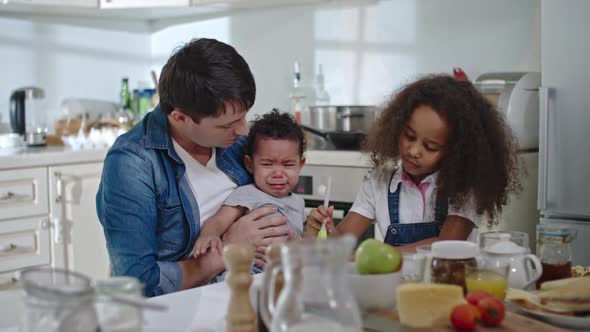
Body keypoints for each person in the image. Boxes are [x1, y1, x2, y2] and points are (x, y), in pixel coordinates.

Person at [96, 38, 294, 297]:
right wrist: (226, 251)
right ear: (180, 118)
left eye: (245, 116)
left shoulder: (237, 144)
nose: (244, 130)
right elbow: (137, 285)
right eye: (226, 125)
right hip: (178, 313)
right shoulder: (132, 163)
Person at [305, 74, 521, 252]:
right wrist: (326, 232)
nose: (414, 151)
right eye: (409, 136)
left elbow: (445, 246)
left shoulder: (462, 188)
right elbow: (344, 236)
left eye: (430, 147)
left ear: (456, 152)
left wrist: (381, 255)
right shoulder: (378, 182)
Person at [193, 110, 307, 273]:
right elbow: (218, 221)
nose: (278, 173)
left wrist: (317, 229)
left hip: (285, 275)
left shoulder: (299, 202)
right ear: (250, 164)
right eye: (267, 164)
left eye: (288, 164)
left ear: (300, 165)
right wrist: (208, 235)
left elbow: (299, 240)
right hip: (247, 272)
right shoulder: (247, 194)